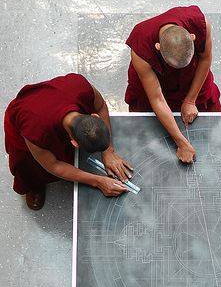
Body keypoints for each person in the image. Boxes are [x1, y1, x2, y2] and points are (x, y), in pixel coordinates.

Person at [4, 73, 133, 210]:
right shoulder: (35, 130)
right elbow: (54, 166)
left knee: (70, 159)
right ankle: (34, 187)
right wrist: (97, 181)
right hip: (24, 120)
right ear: (74, 143)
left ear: (94, 116)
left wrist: (108, 151)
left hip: (49, 104)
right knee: (31, 167)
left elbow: (101, 106)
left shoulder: (80, 86)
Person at [125, 6, 221, 164]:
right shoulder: (140, 47)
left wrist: (190, 100)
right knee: (150, 132)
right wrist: (182, 143)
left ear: (192, 37)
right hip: (156, 80)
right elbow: (157, 99)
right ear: (158, 47)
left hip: (192, 76)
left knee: (216, 130)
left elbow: (204, 60)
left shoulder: (201, 24)